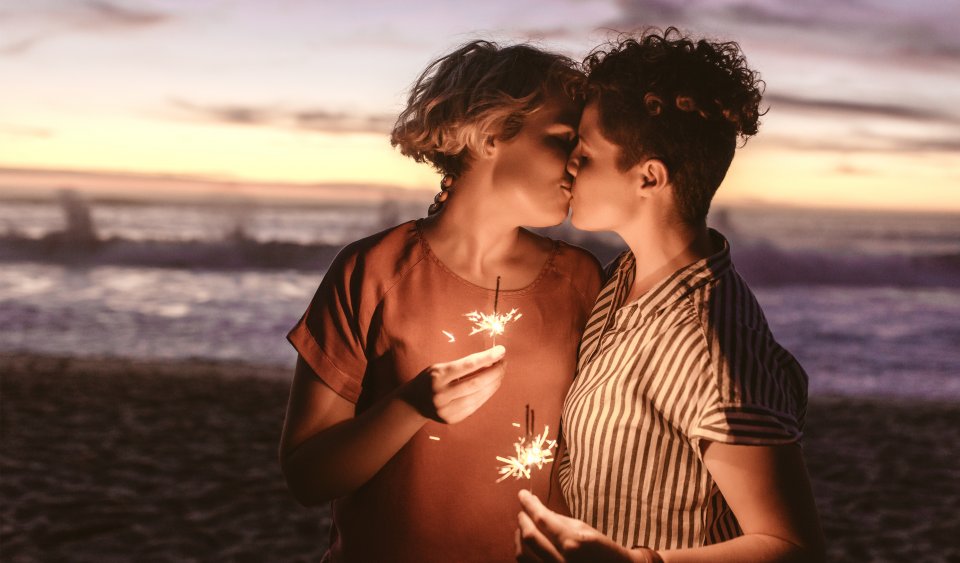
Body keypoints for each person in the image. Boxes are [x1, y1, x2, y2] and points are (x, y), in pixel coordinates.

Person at [279, 40, 603, 562]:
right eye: (563, 139)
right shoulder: (374, 271)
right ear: (492, 132)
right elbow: (307, 476)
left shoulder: (581, 281)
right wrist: (411, 406)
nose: (579, 162)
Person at [516, 29, 825, 562]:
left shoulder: (707, 343)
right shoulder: (623, 277)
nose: (569, 166)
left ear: (649, 178)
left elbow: (792, 547)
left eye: (585, 155)